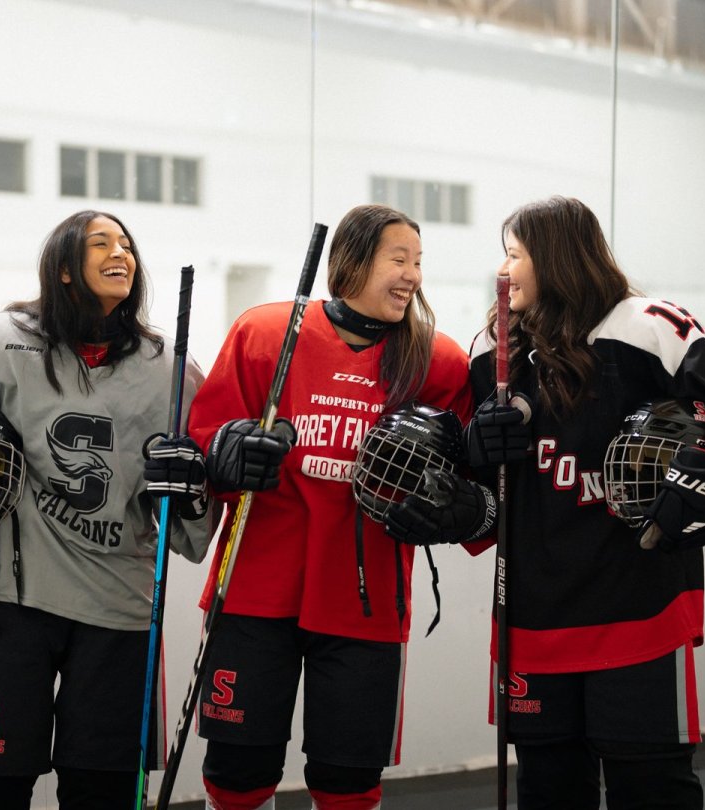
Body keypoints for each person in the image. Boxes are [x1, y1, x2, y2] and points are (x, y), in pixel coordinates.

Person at [434, 196, 705, 809]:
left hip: (640, 614)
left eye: (515, 254)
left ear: (556, 259)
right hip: (534, 621)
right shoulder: (493, 354)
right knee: (550, 792)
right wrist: (472, 450)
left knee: (652, 789)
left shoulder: (648, 326)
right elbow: (483, 501)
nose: (503, 270)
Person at [0, 210, 218, 809]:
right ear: (62, 267)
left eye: (128, 245)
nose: (121, 253)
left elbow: (191, 531)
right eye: (101, 242)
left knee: (102, 794)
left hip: (119, 613)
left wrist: (189, 485)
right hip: (11, 605)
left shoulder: (171, 372)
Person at [184, 204, 473, 810]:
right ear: (351, 262)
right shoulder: (265, 334)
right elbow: (203, 442)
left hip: (363, 605)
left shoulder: (436, 361)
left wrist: (457, 503)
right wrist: (228, 454)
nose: (413, 275)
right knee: (239, 773)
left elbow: (471, 480)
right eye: (399, 259)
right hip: (256, 591)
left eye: (419, 262)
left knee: (347, 782)